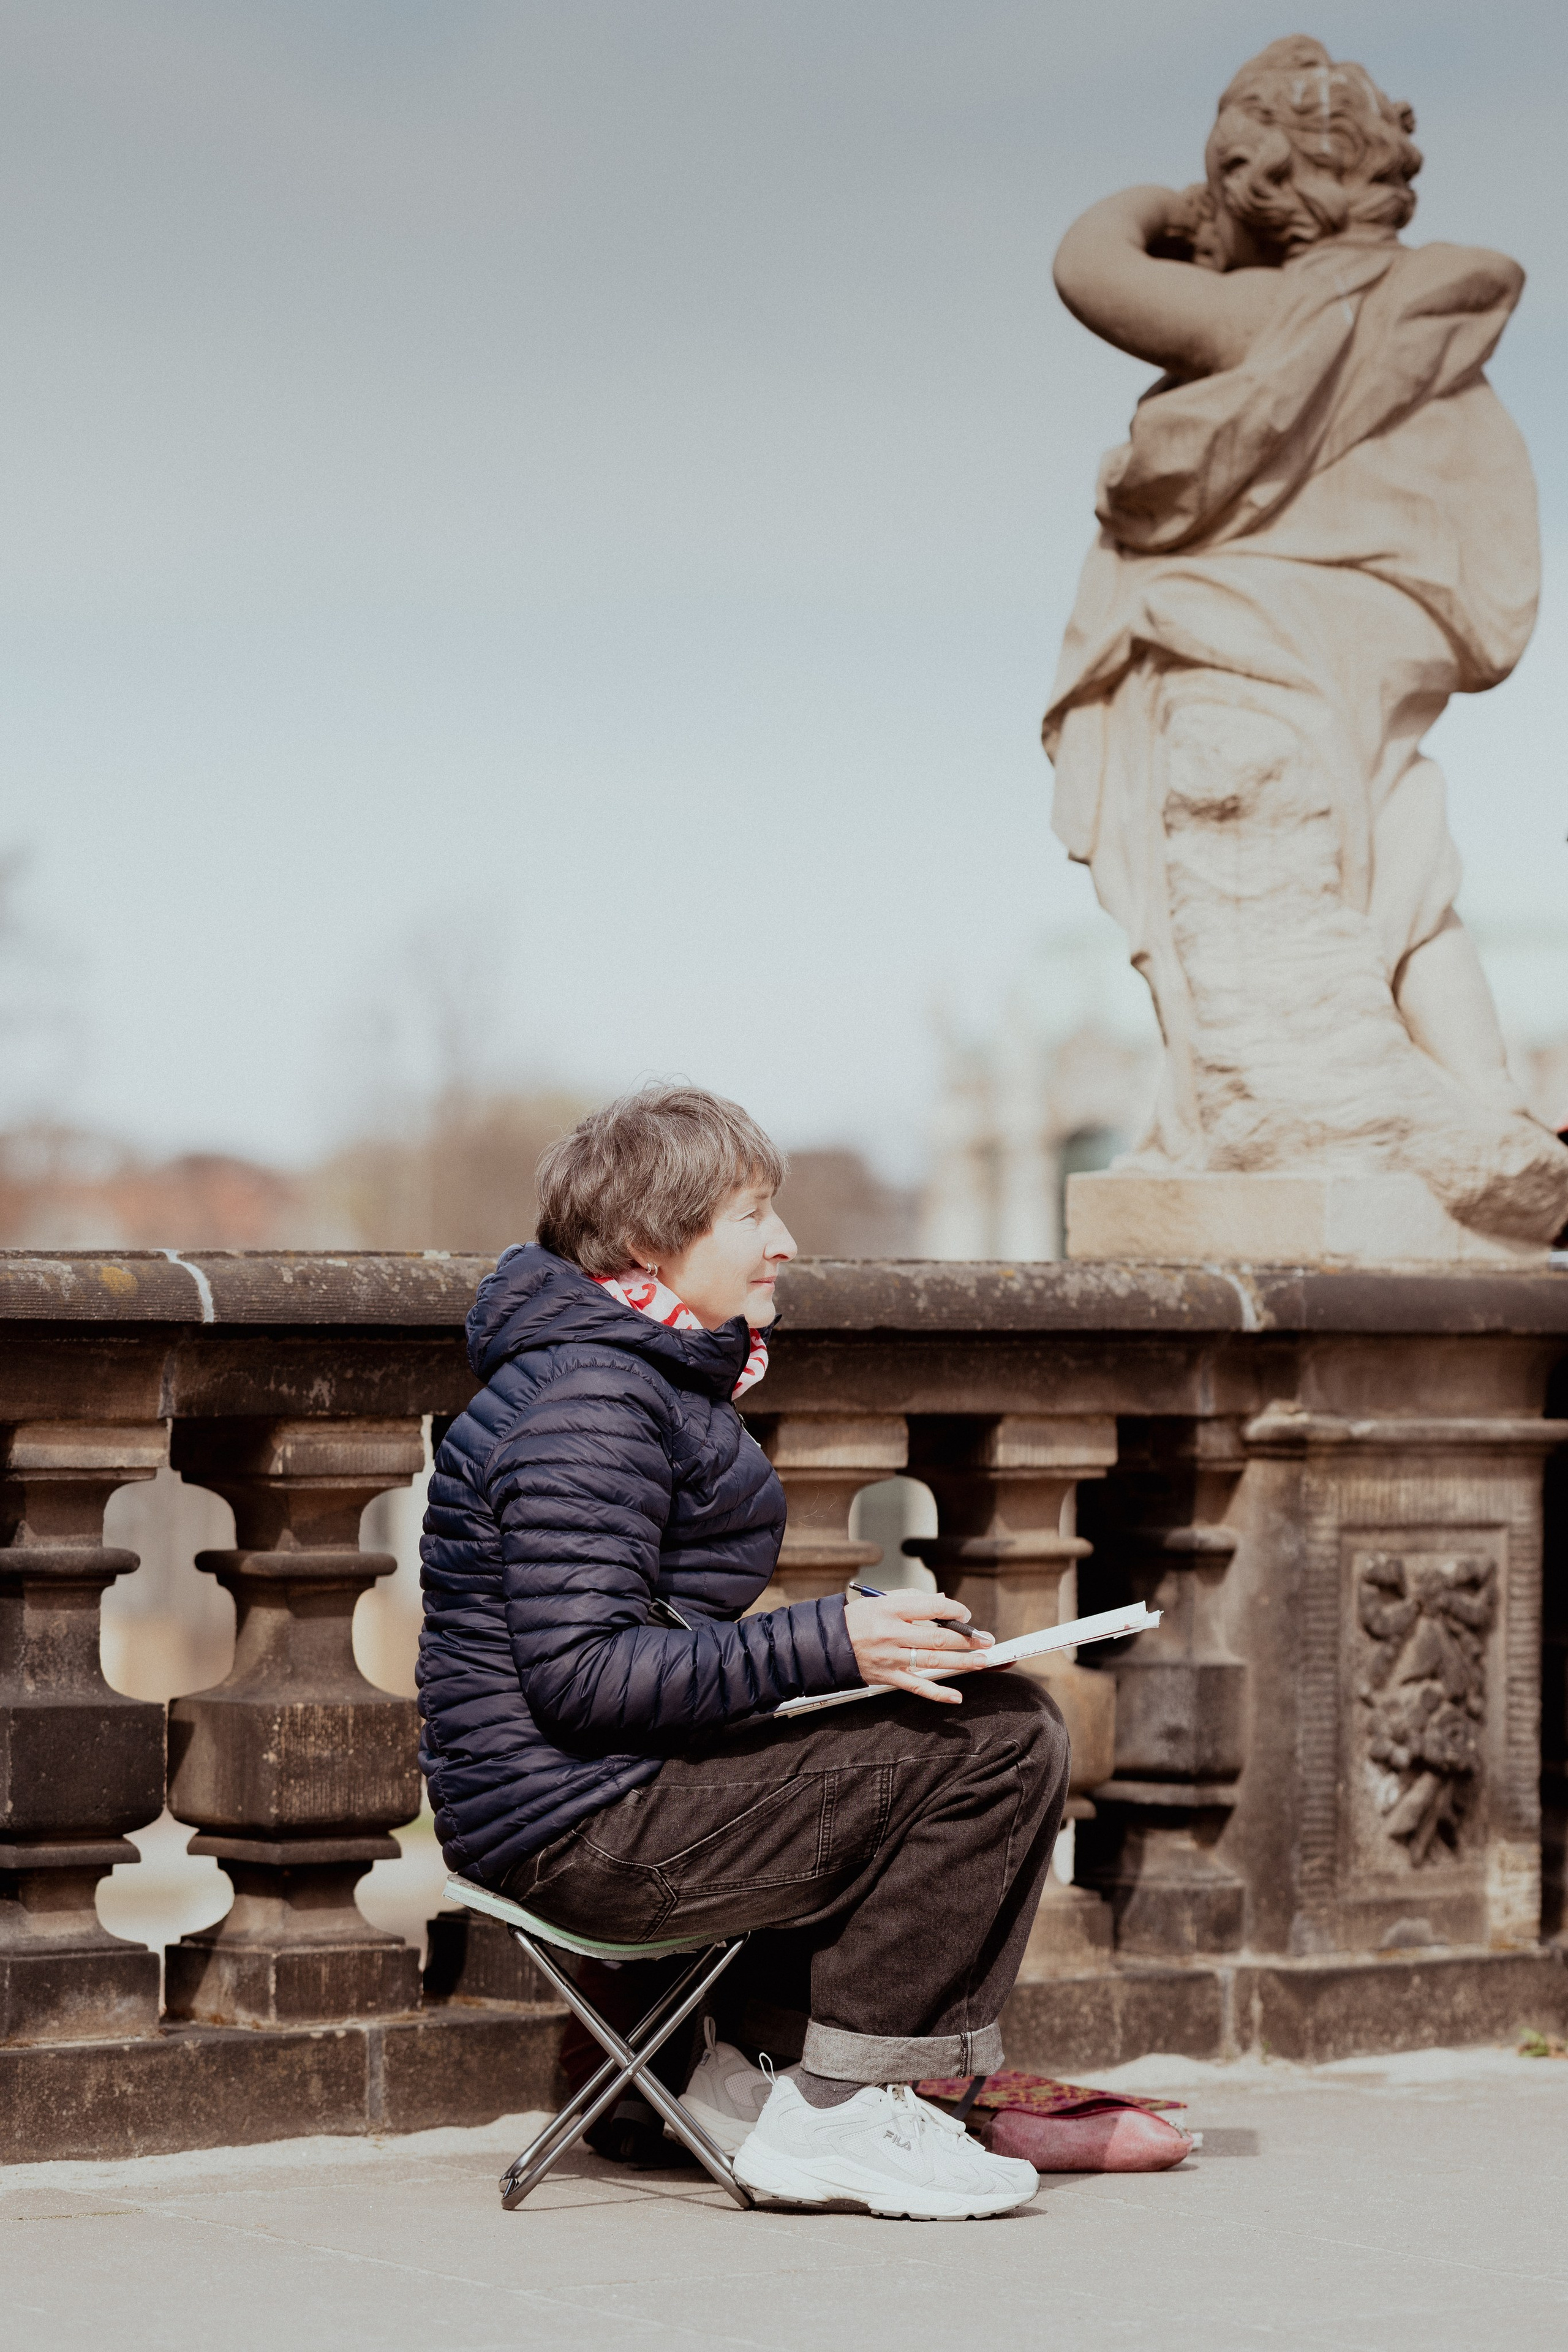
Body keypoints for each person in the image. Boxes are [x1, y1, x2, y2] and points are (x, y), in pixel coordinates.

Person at [418, 1084, 1069, 2219]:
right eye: (752, 1214)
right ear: (648, 1243)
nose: (785, 1242)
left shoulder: (623, 1374)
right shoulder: (592, 1399)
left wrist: (857, 1645)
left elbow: (647, 1643)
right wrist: (829, 1643)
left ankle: (748, 2076)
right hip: (580, 1829)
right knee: (1005, 1741)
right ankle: (842, 2111)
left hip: (594, 1795)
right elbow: (585, 1677)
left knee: (960, 1710)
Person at [1044, 36, 1568, 1243]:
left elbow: (1087, 266)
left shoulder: (1275, 313)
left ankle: (1297, 1115)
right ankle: (1485, 1100)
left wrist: (1167, 208)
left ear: (1250, 184)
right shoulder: (1428, 326)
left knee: (1257, 869)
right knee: (1402, 859)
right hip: (1379, 636)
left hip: (1256, 640)